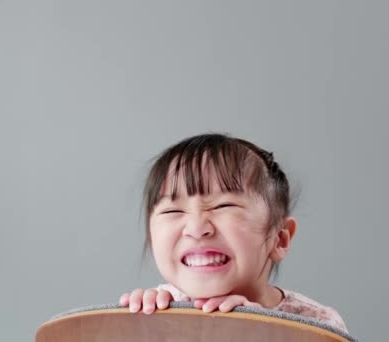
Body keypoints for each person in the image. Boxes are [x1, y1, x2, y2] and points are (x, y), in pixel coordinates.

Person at [119, 133, 348, 332]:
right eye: (173, 210)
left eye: (223, 206)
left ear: (279, 238)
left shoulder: (316, 325)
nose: (197, 229)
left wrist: (265, 333)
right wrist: (134, 330)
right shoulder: (154, 312)